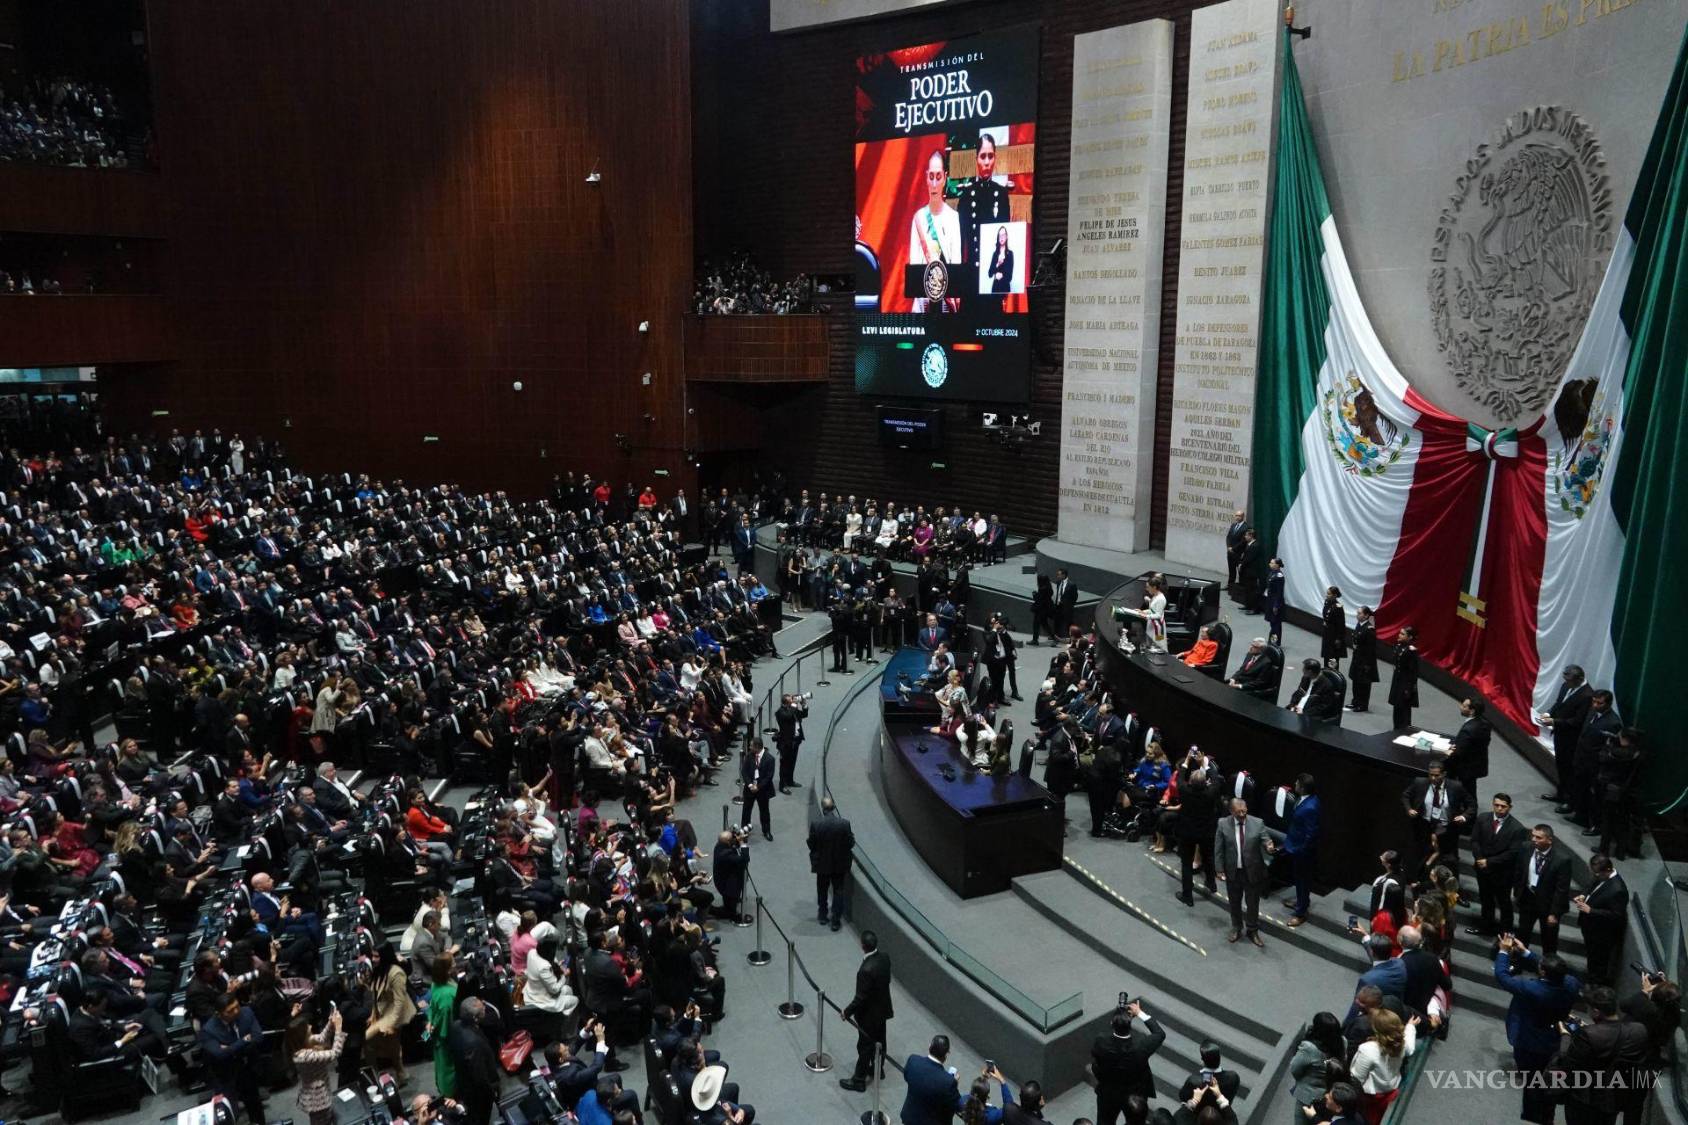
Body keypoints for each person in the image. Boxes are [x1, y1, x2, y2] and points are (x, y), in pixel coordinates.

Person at [1494, 935, 1580, 1123]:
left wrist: (1504, 951)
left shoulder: (1531, 988)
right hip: (1554, 1039)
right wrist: (1525, 952)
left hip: (1529, 1043)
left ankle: (1533, 1117)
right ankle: (1547, 1116)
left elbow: (1502, 976)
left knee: (1532, 1083)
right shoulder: (1571, 984)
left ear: (1542, 972)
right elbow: (1553, 972)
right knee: (1549, 1081)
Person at [1556, 986, 1650, 1125]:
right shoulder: (1639, 1030)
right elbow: (1612, 1038)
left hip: (1586, 1100)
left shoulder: (1588, 1035)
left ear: (1596, 1011)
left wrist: (1565, 1035)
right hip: (1614, 1099)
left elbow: (1567, 1062)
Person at [1091, 1001, 1165, 1125]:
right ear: (1130, 1026)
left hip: (1109, 1092)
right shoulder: (1141, 1046)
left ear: (1111, 1023)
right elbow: (1159, 1033)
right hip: (1135, 1095)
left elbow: (1096, 1061)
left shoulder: (1101, 1042)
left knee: (1105, 1122)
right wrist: (1139, 1013)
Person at [200, 994, 269, 1125]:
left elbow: (258, 1037)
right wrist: (244, 1040)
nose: (236, 1011)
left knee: (255, 1107)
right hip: (225, 1074)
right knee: (230, 1113)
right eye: (230, 1010)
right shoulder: (208, 1030)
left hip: (247, 1068)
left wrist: (230, 1048)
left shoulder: (246, 1012)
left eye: (237, 1006)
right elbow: (220, 1054)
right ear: (219, 1014)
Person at [1214, 799, 1275, 947]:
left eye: (1244, 811)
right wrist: (1219, 869)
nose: (1242, 814)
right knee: (1234, 902)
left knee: (1253, 903)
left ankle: (1252, 930)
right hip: (1233, 872)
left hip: (1252, 871)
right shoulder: (1222, 823)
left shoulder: (1258, 823)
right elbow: (1219, 849)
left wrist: (1269, 846)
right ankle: (1236, 927)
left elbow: (1266, 840)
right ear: (1231, 811)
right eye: (1238, 812)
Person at [839, 930, 893, 1092]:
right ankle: (878, 1069)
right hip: (883, 1009)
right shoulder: (885, 958)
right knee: (881, 1040)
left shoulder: (865, 971)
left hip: (869, 1016)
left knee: (865, 1046)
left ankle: (859, 1080)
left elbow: (860, 998)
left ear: (863, 946)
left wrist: (846, 1012)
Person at [1466, 792, 1527, 937]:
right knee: (1486, 900)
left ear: (1510, 807)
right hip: (1482, 869)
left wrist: (1489, 862)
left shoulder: (1517, 828)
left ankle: (1505, 933)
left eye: (1503, 806)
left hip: (1502, 873)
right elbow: (1475, 841)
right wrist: (1480, 858)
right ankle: (1486, 927)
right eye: (1497, 805)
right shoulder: (1483, 818)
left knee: (1504, 903)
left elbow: (1512, 853)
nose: (1499, 808)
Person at [909, 149, 961, 313]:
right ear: (926, 177)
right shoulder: (918, 218)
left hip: (946, 301)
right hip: (923, 302)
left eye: (938, 177)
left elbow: (956, 263)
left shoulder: (953, 218)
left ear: (945, 178)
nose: (934, 183)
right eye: (931, 176)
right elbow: (914, 266)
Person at [1401, 761, 1471, 881]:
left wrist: (1464, 816)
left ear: (1444, 774)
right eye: (1431, 775)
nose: (1433, 778)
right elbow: (1405, 795)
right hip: (1425, 826)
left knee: (1450, 860)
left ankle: (1452, 887)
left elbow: (1471, 804)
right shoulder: (1419, 782)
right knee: (1422, 857)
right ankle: (1420, 884)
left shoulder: (1456, 786)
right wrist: (1409, 809)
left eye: (1436, 775)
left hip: (1447, 829)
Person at [1348, 1009, 1417, 1124]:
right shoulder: (1401, 1043)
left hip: (1370, 1097)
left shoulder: (1368, 1049)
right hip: (1390, 1090)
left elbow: (1356, 1080)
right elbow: (1410, 1048)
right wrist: (1410, 1027)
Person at [1537, 664, 1593, 805]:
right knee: (1561, 765)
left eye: (1569, 681)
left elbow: (1577, 721)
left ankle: (1569, 799)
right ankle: (1561, 794)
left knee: (1568, 768)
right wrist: (1548, 714)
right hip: (1560, 734)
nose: (1567, 683)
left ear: (1579, 679)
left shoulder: (1587, 695)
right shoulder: (1566, 685)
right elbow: (1559, 704)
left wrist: (1554, 722)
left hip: (1571, 738)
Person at [959, 133, 1012, 274]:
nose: (987, 162)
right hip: (971, 271)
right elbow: (961, 241)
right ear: (976, 159)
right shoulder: (966, 196)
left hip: (994, 269)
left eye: (990, 156)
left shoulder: (1001, 194)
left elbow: (1004, 236)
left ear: (995, 158)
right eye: (983, 156)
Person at [1516, 823, 1572, 956]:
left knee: (1549, 939)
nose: (1533, 840)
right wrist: (1517, 890)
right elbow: (1519, 871)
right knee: (1522, 933)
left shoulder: (1562, 859)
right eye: (1533, 836)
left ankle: (1549, 965)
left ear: (1549, 840)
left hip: (1548, 904)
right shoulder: (1526, 847)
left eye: (1538, 837)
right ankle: (1518, 961)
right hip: (1527, 898)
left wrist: (1554, 913)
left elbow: (1562, 889)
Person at [1574, 854, 1629, 987]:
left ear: (1608, 870)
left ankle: (1594, 985)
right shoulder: (1601, 876)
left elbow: (1617, 915)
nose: (1595, 875)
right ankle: (1590, 978)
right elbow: (1592, 885)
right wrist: (1583, 895)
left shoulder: (1618, 890)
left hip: (1601, 934)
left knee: (1598, 962)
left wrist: (1591, 910)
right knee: (1591, 957)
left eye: (1597, 873)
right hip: (1590, 928)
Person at [289, 1006, 347, 1125]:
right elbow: (335, 1053)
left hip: (322, 1093)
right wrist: (338, 1028)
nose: (310, 1026)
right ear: (301, 1035)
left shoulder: (302, 1043)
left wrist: (330, 1022)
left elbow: (322, 1037)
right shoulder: (303, 1056)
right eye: (307, 1027)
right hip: (317, 1100)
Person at [449, 997, 502, 1125]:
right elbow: (480, 1077)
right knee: (481, 1118)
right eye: (482, 1008)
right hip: (477, 1093)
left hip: (462, 1081)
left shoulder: (455, 1025)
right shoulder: (474, 1043)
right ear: (475, 1018)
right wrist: (491, 1092)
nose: (484, 1006)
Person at [368, 943, 417, 1082]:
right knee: (389, 1046)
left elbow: (399, 1002)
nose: (373, 959)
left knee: (388, 1045)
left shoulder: (396, 973)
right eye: (373, 956)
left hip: (396, 1014)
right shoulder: (378, 970)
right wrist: (373, 1015)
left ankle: (398, 1074)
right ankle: (398, 1073)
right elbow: (375, 994)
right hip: (383, 1011)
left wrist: (391, 1024)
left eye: (376, 956)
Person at [1279, 774, 1321, 927]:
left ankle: (1301, 913)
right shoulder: (1305, 799)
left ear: (1302, 788)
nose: (1294, 784)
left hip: (1303, 852)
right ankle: (1300, 902)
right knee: (1298, 879)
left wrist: (1301, 849)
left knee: (1303, 881)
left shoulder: (1311, 807)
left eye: (1297, 783)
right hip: (1296, 846)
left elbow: (1311, 834)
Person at [1289, 1013, 1346, 1124]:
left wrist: (1303, 1081)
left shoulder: (1309, 1048)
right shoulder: (1343, 1041)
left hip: (1308, 1095)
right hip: (1331, 1095)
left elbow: (1295, 1069)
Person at [808, 795, 854, 931]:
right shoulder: (844, 824)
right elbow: (851, 843)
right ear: (833, 807)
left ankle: (823, 915)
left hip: (822, 864)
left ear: (823, 809)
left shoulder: (816, 825)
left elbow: (811, 844)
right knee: (838, 891)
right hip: (840, 864)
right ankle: (835, 920)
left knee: (822, 889)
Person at [1444, 697, 1492, 802]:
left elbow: (1458, 753)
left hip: (1464, 768)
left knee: (1466, 793)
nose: (1460, 707)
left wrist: (1448, 752)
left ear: (1472, 711)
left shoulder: (1468, 729)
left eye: (1464, 706)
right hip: (1476, 765)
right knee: (1471, 790)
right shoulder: (1485, 723)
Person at [428, 954, 460, 1096]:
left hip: (437, 1029)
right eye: (452, 963)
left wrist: (430, 1021)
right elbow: (445, 1022)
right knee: (448, 1066)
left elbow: (432, 1007)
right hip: (445, 1035)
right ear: (447, 970)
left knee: (442, 1064)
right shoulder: (447, 996)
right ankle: (449, 1096)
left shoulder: (435, 984)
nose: (455, 964)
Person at [739, 737, 776, 840]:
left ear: (757, 747)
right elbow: (744, 771)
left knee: (764, 811)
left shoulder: (770, 759)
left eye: (751, 746)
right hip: (750, 789)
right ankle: (744, 831)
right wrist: (750, 785)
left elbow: (769, 777)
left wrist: (758, 787)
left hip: (763, 790)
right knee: (746, 811)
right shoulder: (749, 756)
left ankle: (766, 831)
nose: (749, 747)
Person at [711, 829, 749, 923]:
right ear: (728, 841)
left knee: (730, 901)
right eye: (733, 838)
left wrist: (737, 840)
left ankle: (728, 907)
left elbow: (731, 845)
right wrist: (742, 843)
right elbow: (744, 860)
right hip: (728, 885)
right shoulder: (725, 854)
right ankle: (713, 911)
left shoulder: (719, 845)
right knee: (729, 911)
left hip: (723, 878)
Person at [774, 692, 808, 793]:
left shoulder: (793, 709)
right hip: (785, 742)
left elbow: (804, 715)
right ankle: (782, 785)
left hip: (796, 740)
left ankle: (790, 781)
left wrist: (804, 705)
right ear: (786, 702)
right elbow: (788, 716)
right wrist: (794, 705)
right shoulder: (780, 712)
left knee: (792, 762)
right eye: (791, 700)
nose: (793, 701)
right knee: (784, 764)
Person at [1347, 606, 1378, 711]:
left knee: (1363, 683)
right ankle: (1355, 701)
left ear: (1366, 615)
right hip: (1357, 658)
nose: (1357, 615)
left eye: (1359, 613)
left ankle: (1363, 704)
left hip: (1365, 661)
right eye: (1357, 613)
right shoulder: (1359, 625)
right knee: (1355, 680)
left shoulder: (1369, 629)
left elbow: (1370, 649)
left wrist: (1367, 665)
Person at [1387, 627, 1419, 729]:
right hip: (1397, 680)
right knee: (1397, 705)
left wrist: (1409, 688)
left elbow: (1413, 672)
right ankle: (1396, 727)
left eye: (1402, 634)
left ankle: (1404, 729)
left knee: (1404, 707)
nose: (1399, 635)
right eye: (1400, 633)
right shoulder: (1398, 646)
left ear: (1410, 637)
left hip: (1405, 682)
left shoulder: (1411, 651)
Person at [1223, 511, 1249, 594]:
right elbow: (1228, 537)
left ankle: (1240, 589)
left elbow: (1243, 541)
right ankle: (1230, 585)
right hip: (1230, 552)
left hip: (1239, 553)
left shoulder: (1246, 527)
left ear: (1243, 517)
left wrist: (1233, 548)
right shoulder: (1233, 525)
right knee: (1231, 570)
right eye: (1236, 515)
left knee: (1241, 571)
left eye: (1239, 516)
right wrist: (1228, 547)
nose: (1237, 517)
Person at [1262, 557, 1285, 643]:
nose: (1270, 564)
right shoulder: (1272, 573)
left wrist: (1276, 605)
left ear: (1277, 565)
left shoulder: (1279, 576)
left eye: (1272, 563)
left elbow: (1279, 593)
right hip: (1270, 600)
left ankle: (1274, 642)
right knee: (1273, 623)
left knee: (1276, 624)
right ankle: (1274, 641)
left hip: (1275, 602)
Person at [986, 225, 1014, 294]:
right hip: (995, 288)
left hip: (1005, 288)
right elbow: (990, 274)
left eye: (1003, 235)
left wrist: (1002, 275)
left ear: (1007, 237)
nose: (1001, 237)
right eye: (1000, 235)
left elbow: (1009, 277)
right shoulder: (995, 254)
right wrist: (997, 264)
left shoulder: (1010, 254)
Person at [1030, 575, 1056, 646]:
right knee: (1045, 624)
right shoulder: (1049, 588)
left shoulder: (1042, 589)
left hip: (1040, 610)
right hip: (1046, 609)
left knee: (1036, 625)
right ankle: (1054, 637)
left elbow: (1039, 599)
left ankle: (1035, 640)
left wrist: (1034, 595)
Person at [1053, 569, 1078, 640]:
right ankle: (1056, 635)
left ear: (1064, 575)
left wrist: (1069, 605)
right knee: (1057, 621)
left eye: (1059, 574)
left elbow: (1075, 596)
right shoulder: (1058, 582)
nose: (1057, 576)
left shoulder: (1071, 585)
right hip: (1058, 606)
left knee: (1069, 622)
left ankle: (1072, 637)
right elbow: (1058, 593)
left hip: (1067, 607)